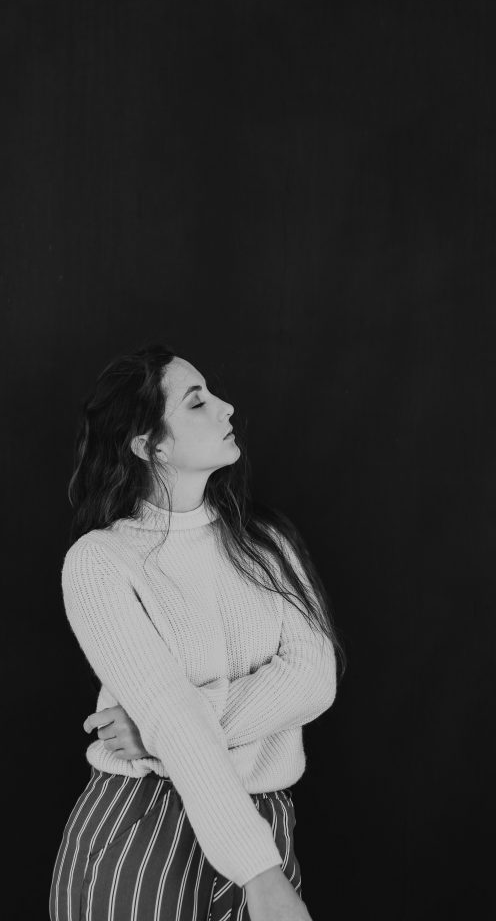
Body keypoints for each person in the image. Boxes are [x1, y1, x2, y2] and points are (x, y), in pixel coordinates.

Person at [49, 343, 345, 921]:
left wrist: (160, 735)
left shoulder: (265, 544)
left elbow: (315, 678)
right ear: (148, 444)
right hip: (144, 826)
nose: (227, 407)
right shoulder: (102, 560)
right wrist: (260, 872)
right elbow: (167, 706)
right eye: (197, 401)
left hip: (265, 817)